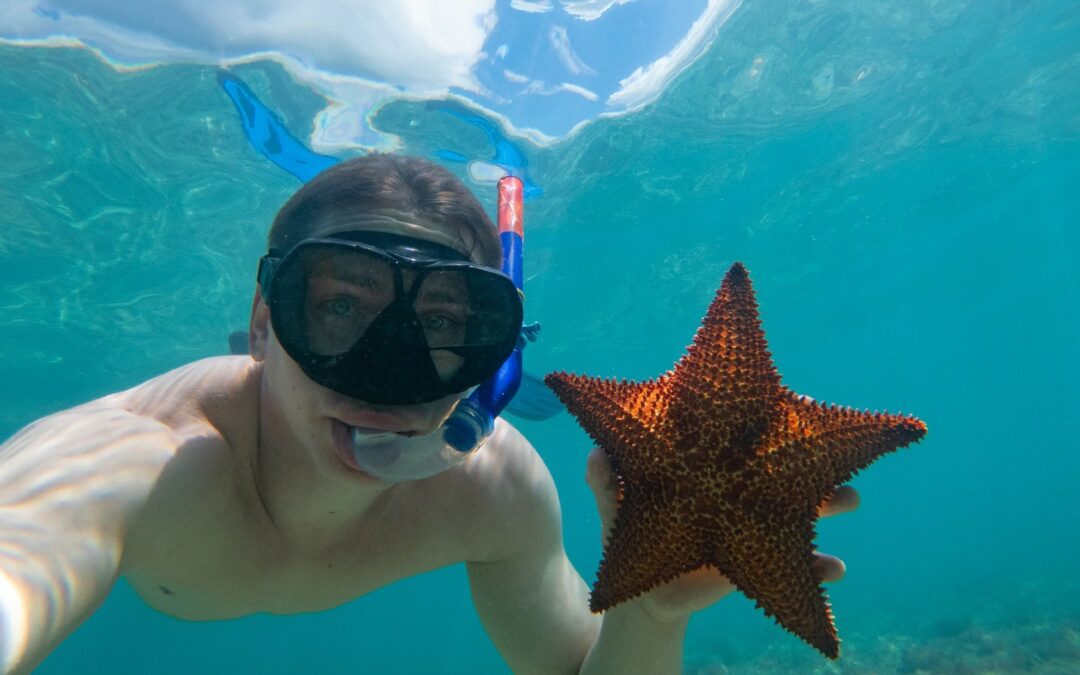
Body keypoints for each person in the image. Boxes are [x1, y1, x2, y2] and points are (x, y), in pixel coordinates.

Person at [0, 154, 858, 674]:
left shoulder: (490, 485)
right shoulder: (142, 458)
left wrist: (651, 612)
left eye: (446, 324)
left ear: (492, 353)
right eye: (339, 306)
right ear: (264, 322)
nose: (387, 376)